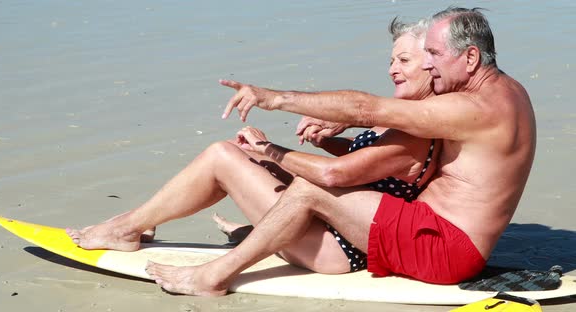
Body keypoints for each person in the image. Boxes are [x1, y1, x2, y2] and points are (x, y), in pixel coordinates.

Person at [76, 6, 536, 296]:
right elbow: (376, 117)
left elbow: (363, 114)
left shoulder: (474, 106)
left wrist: (274, 100)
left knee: (307, 189)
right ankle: (141, 226)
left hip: (443, 247)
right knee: (293, 180)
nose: (428, 65)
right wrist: (345, 126)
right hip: (437, 234)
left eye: (432, 55)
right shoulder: (504, 94)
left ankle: (213, 276)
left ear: (471, 58)